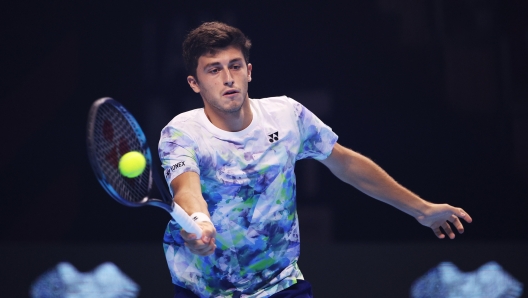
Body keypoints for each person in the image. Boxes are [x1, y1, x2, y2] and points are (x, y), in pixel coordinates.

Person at [158, 21, 472, 298]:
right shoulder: (181, 132)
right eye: (214, 69)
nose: (228, 78)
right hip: (204, 289)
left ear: (249, 72)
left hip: (281, 286)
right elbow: (186, 190)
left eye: (235, 66)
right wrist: (198, 222)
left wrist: (422, 210)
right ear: (194, 83)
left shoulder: (286, 116)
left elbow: (346, 164)